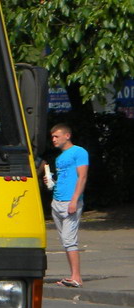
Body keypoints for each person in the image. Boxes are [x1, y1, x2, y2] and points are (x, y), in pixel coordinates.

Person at [41, 123, 89, 288]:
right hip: (57, 201)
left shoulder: (79, 152)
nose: (53, 139)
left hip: (70, 201)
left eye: (57, 136)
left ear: (67, 136)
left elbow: (82, 177)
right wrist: (50, 182)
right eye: (52, 137)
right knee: (65, 240)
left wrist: (75, 199)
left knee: (70, 240)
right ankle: (72, 276)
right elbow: (62, 180)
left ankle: (77, 277)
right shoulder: (59, 158)